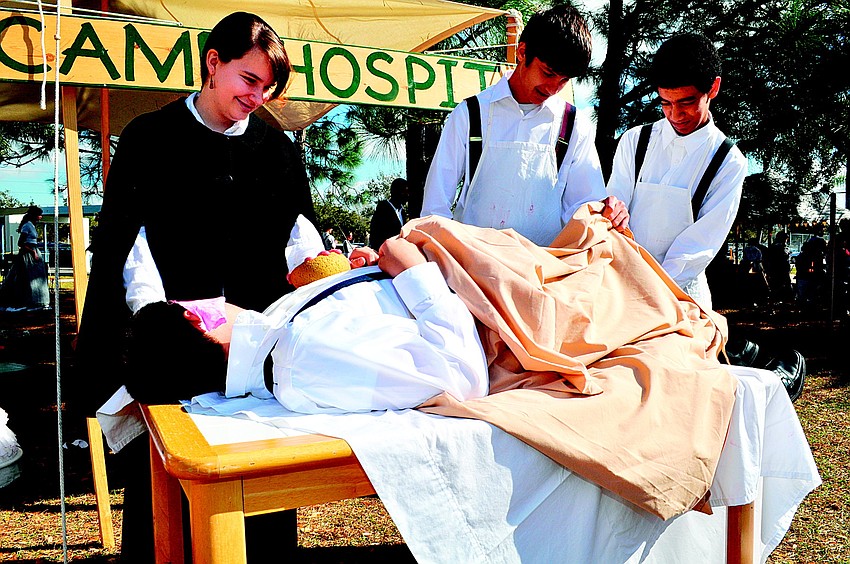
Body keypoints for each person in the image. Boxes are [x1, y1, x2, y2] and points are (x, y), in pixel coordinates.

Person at [73, 12, 314, 561]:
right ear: (213, 62)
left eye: (267, 87)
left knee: (261, 497)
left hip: (253, 354)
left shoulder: (278, 150)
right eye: (248, 80)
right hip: (173, 357)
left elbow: (299, 240)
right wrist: (161, 326)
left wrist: (325, 269)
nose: (257, 97)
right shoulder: (150, 138)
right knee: (169, 502)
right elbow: (128, 247)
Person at [605, 33, 805, 401]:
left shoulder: (727, 161)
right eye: (665, 103)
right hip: (621, 288)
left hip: (682, 298)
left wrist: (648, 297)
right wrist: (612, 210)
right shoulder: (635, 141)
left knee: (681, 394)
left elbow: (696, 247)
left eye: (686, 102)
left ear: (713, 88)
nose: (675, 115)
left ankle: (769, 376)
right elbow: (616, 205)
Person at [123, 215, 489, 414]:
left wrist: (369, 272)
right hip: (492, 304)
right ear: (195, 319)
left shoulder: (277, 336)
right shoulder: (304, 358)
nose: (209, 301)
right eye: (188, 303)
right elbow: (461, 376)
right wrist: (413, 272)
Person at [421, 4, 628, 246]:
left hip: (544, 263)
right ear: (522, 52)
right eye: (548, 73)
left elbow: (585, 209)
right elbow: (435, 207)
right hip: (472, 260)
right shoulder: (470, 113)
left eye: (564, 80)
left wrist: (608, 211)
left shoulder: (574, 125)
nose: (553, 88)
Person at [0, 205, 49, 312]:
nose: (41, 217)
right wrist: (33, 252)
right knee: (27, 277)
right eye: (39, 215)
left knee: (37, 277)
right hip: (28, 253)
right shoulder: (27, 226)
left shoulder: (32, 225)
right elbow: (21, 243)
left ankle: (36, 301)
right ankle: (23, 301)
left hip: (34, 249)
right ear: (34, 215)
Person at [369, 177, 409, 249]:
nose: (407, 195)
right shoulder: (383, 210)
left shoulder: (402, 212)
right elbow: (375, 235)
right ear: (395, 192)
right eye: (404, 192)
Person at [764, 231, 794, 303]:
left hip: (779, 270)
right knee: (780, 286)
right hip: (779, 270)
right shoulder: (778, 247)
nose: (786, 241)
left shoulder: (775, 246)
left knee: (779, 286)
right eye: (786, 239)